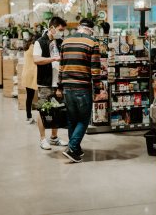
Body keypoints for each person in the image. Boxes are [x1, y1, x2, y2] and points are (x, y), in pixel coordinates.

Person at [57, 18, 101, 163]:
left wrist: (59, 86)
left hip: (67, 86)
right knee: (83, 119)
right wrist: (98, 90)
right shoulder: (92, 42)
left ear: (78, 27)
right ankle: (72, 147)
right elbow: (95, 70)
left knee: (72, 119)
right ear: (91, 29)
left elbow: (61, 66)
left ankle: (75, 150)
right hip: (82, 87)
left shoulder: (65, 41)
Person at [33, 17, 68, 150]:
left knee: (57, 111)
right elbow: (36, 60)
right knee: (43, 110)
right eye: (60, 29)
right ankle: (42, 139)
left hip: (58, 82)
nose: (61, 32)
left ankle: (54, 137)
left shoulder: (60, 42)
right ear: (52, 28)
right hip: (45, 82)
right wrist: (53, 58)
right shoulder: (40, 42)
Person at [21, 39, 38, 124]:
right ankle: (29, 116)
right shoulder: (33, 47)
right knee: (30, 96)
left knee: (29, 97)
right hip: (31, 73)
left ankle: (28, 116)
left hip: (27, 73)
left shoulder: (27, 47)